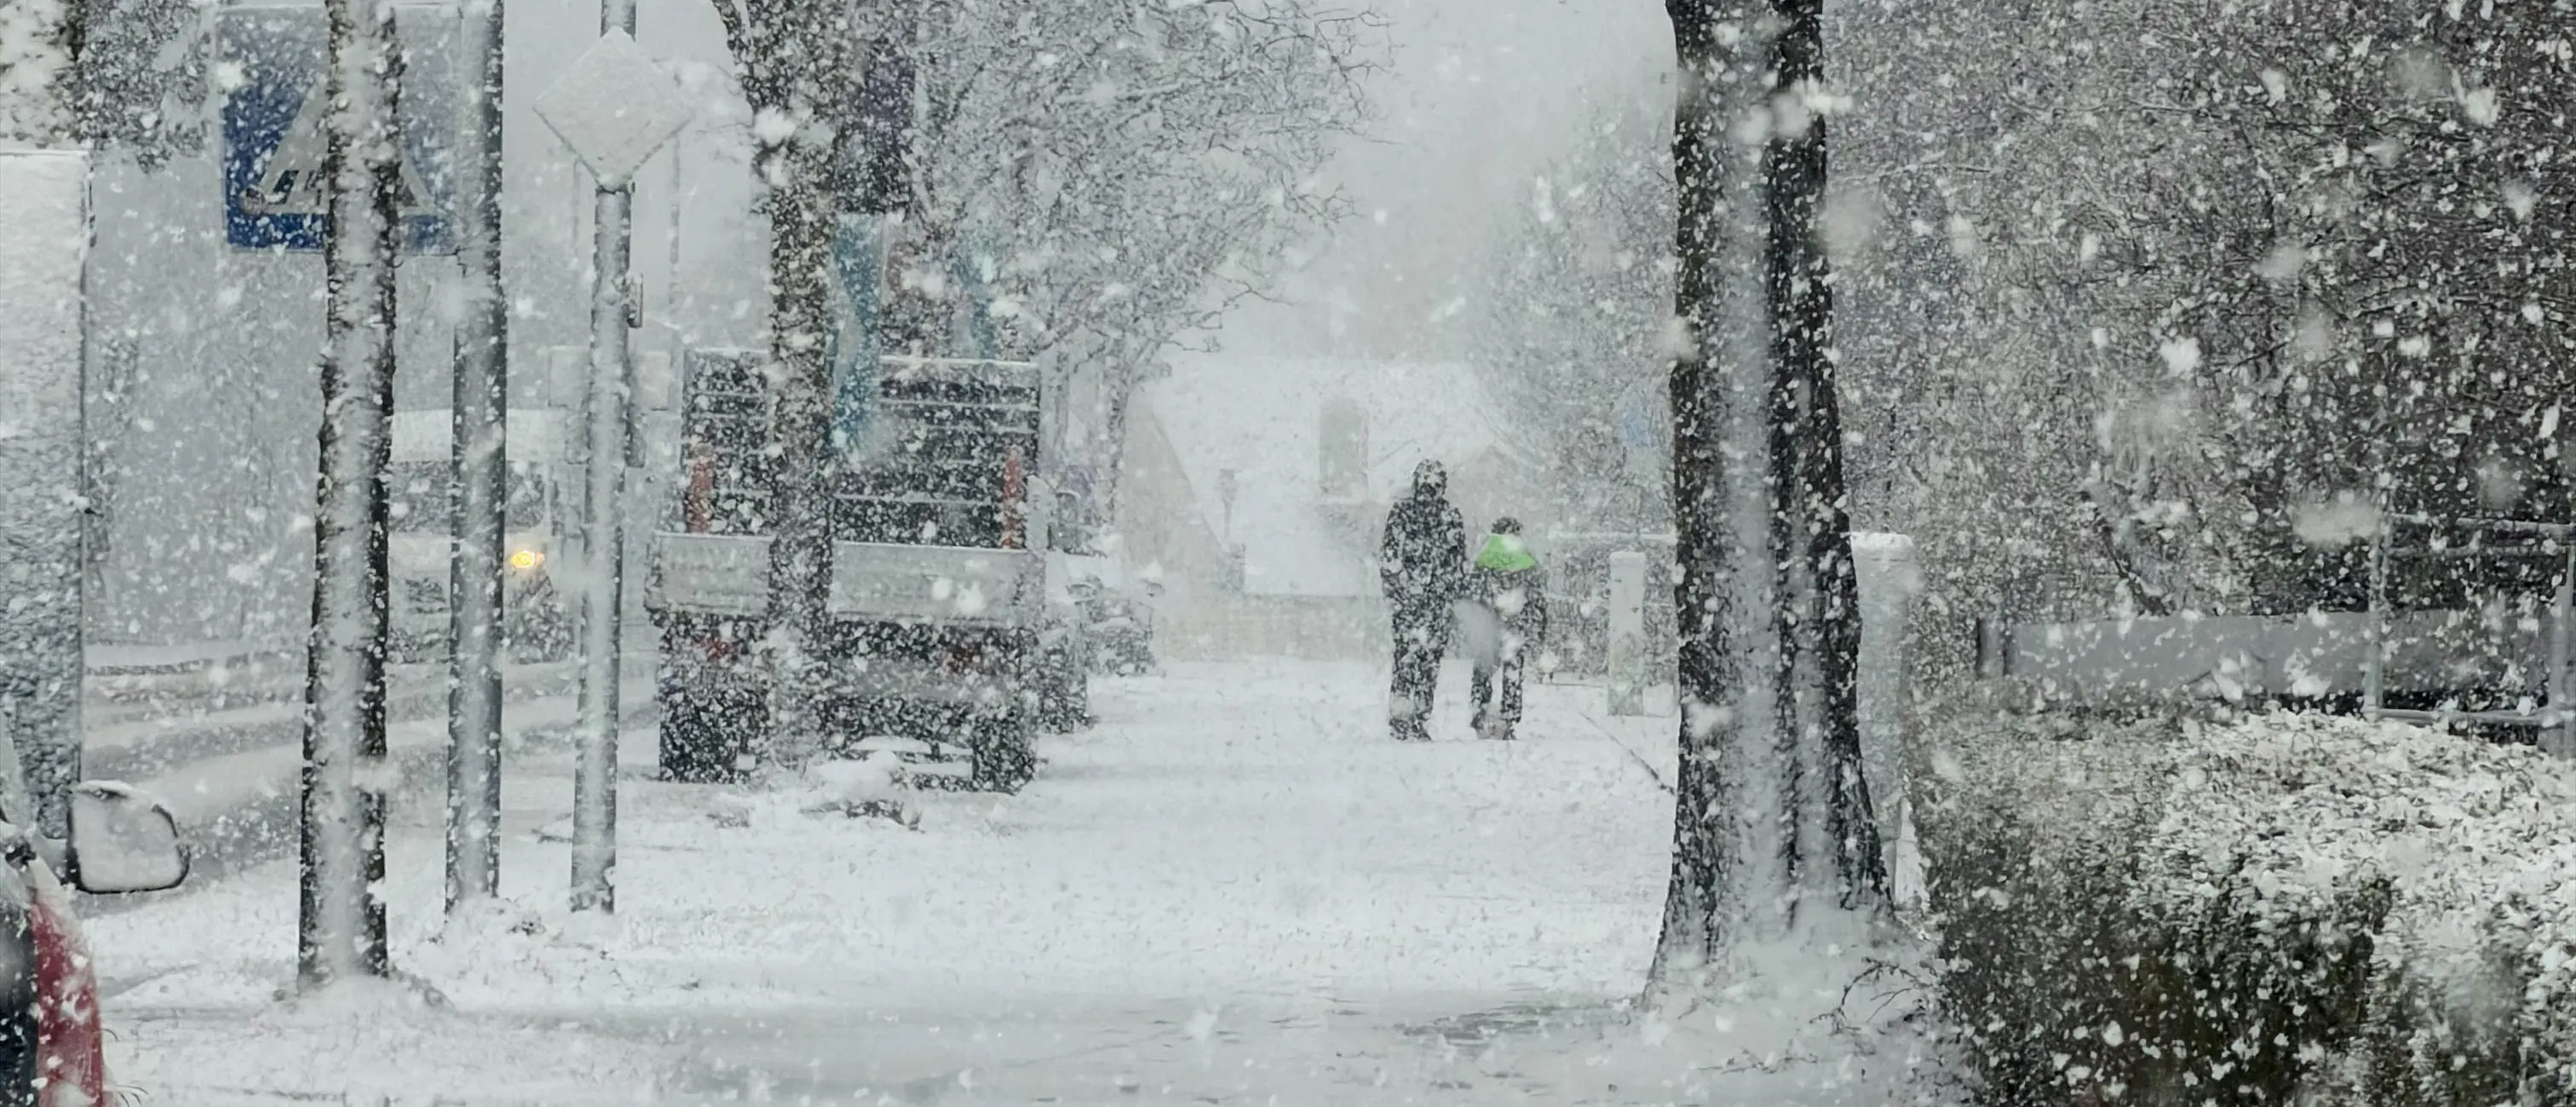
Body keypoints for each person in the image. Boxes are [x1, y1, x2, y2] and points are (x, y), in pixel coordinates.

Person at [1379, 459, 1466, 741]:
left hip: (1428, 602)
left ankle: (1412, 716)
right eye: (1427, 484)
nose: (1430, 490)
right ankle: (1407, 717)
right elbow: (1390, 557)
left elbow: (1457, 563)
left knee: (1419, 661)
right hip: (1419, 601)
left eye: (1434, 485)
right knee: (1415, 660)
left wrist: (1448, 595)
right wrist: (1399, 591)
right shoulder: (1417, 513)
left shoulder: (1444, 515)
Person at [1463, 516, 1547, 741]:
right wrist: (1537, 626)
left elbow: (1471, 590)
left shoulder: (1483, 557)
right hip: (1515, 624)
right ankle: (1509, 718)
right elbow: (1537, 595)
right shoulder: (1527, 558)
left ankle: (1479, 713)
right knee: (1513, 671)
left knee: (1483, 669)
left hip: (1489, 622)